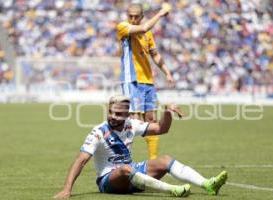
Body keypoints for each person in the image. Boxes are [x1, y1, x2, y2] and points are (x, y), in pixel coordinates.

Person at [54, 95, 228, 199]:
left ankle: (208, 184)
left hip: (132, 173)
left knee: (165, 160)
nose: (113, 116)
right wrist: (67, 189)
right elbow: (81, 160)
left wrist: (167, 112)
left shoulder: (132, 124)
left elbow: (161, 128)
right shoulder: (98, 132)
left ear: (127, 115)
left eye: (118, 114)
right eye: (111, 112)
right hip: (109, 181)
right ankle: (173, 190)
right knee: (125, 169)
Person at [116, 3, 175, 159]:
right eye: (131, 16)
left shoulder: (148, 35)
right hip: (131, 81)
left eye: (136, 16)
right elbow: (143, 28)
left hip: (148, 82)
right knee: (134, 122)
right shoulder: (123, 27)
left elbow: (155, 55)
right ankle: (124, 160)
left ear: (142, 17)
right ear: (127, 16)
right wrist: (161, 13)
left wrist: (167, 73)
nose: (133, 19)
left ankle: (153, 161)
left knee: (151, 121)